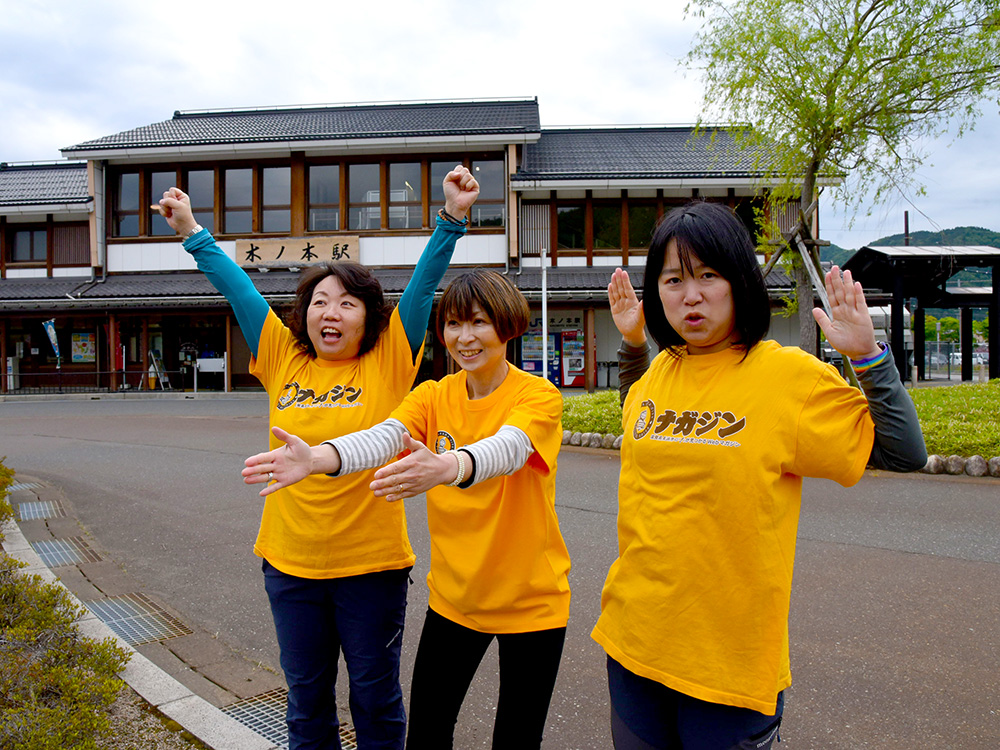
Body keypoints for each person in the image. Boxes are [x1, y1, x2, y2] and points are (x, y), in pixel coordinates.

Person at [151, 166, 480, 750]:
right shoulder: (282, 356)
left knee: (376, 699)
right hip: (291, 565)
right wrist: (193, 232)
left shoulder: (389, 359)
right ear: (303, 313)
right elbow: (241, 292)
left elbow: (425, 286)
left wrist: (450, 219)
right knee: (306, 702)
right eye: (320, 301)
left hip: (371, 568)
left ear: (369, 318)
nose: (331, 312)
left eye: (348, 303)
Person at [592, 201, 927, 750]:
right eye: (673, 279)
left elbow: (902, 452)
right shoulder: (661, 373)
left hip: (729, 666)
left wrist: (869, 357)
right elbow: (637, 411)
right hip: (633, 642)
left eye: (707, 275)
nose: (690, 295)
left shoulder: (785, 376)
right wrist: (632, 344)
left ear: (740, 282)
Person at [241, 269, 570, 750]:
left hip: (532, 603)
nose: (465, 337)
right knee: (428, 733)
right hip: (454, 600)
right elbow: (383, 437)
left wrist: (450, 466)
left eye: (478, 322)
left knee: (516, 739)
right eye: (454, 324)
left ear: (506, 325)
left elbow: (511, 447)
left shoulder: (537, 395)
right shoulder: (433, 395)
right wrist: (318, 458)